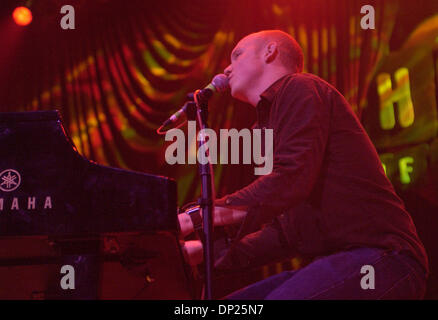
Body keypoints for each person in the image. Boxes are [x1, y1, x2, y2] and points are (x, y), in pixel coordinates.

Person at [179, 30, 429, 299]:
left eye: (237, 55)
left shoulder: (300, 87)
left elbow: (290, 180)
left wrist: (196, 217)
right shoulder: (267, 126)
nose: (227, 67)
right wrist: (202, 253)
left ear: (270, 51)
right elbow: (287, 232)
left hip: (383, 257)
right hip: (343, 262)